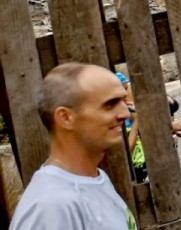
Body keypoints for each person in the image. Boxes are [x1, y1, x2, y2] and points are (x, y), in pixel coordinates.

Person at [11, 64, 135, 229]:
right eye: (110, 104)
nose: (125, 113)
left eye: (123, 100)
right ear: (65, 117)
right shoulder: (50, 206)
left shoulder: (93, 178)